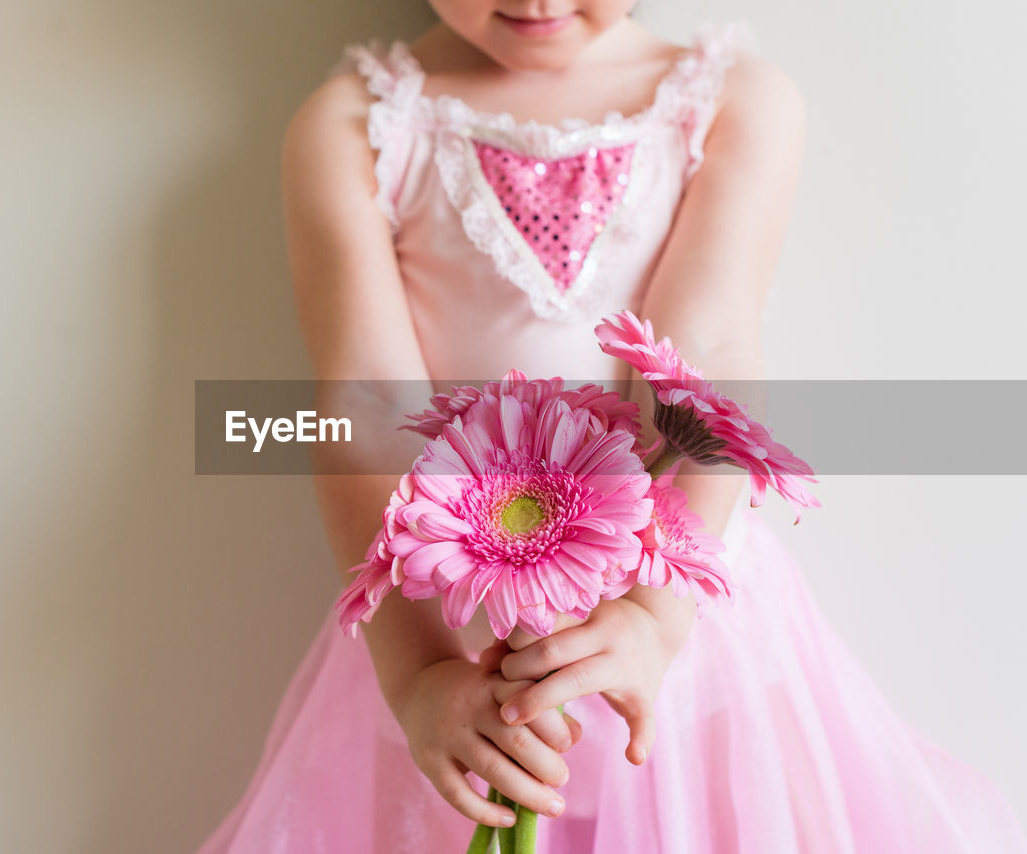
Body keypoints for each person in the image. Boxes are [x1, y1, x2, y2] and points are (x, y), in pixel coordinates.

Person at [197, 4, 1027, 851]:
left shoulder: (733, 101)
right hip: (452, 624)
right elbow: (364, 405)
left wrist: (653, 620)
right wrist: (420, 673)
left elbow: (706, 364)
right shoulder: (354, 128)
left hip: (683, 617)